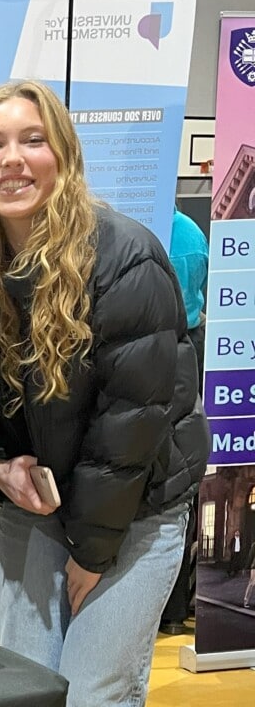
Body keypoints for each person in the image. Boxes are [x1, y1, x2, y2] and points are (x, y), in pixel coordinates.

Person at [0, 80, 208, 706]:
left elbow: (133, 420)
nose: (11, 160)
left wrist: (92, 552)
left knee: (95, 693)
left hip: (136, 511)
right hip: (35, 507)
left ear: (62, 154)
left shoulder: (127, 257)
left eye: (32, 140)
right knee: (25, 689)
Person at [159, 207, 208, 635]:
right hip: (190, 344)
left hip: (169, 348)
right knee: (178, 484)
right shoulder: (192, 233)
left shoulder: (163, 235)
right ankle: (173, 611)